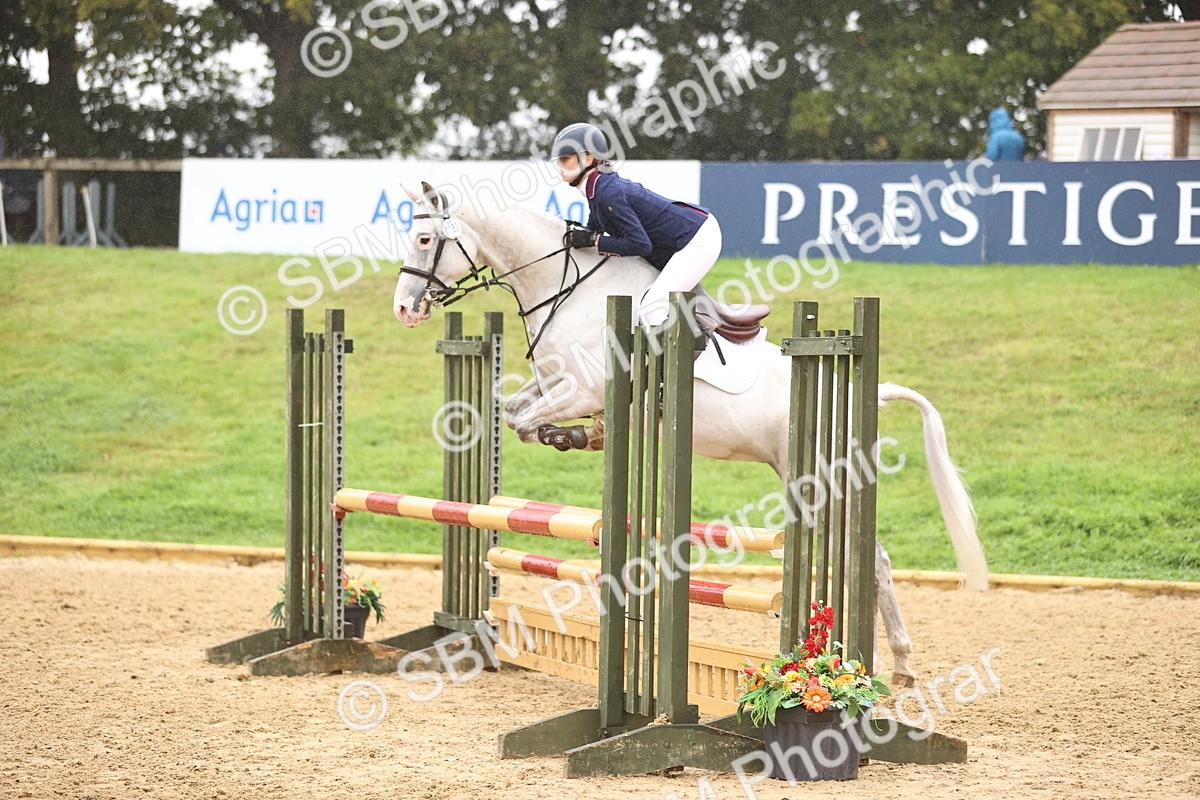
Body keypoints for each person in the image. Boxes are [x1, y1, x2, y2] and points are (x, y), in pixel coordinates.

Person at [549, 122, 722, 326]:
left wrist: (595, 241)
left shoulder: (608, 193)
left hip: (697, 239)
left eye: (565, 158)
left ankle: (689, 357)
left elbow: (641, 245)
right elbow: (592, 230)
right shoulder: (598, 189)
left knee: (651, 309)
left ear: (588, 158)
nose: (559, 165)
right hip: (687, 237)